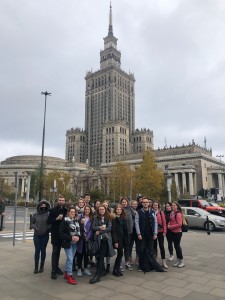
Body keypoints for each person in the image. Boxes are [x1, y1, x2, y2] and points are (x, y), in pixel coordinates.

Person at [135, 198, 164, 272]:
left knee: (151, 250)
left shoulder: (152, 212)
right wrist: (138, 233)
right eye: (144, 202)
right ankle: (141, 265)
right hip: (142, 235)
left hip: (151, 235)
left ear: (148, 203)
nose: (145, 203)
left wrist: (155, 233)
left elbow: (155, 223)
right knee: (141, 250)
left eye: (146, 202)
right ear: (142, 203)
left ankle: (151, 265)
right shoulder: (138, 212)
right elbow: (136, 223)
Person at [89, 205, 115, 284]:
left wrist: (100, 231)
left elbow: (109, 228)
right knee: (98, 256)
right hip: (97, 240)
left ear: (105, 209)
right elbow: (93, 227)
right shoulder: (96, 218)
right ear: (98, 211)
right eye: (100, 210)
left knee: (101, 256)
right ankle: (102, 271)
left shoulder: (108, 218)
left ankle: (97, 275)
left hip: (105, 240)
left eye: (103, 209)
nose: (101, 211)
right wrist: (100, 227)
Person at [47, 194, 67, 279]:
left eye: (63, 200)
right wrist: (56, 219)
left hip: (63, 235)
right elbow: (48, 221)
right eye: (60, 200)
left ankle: (57, 267)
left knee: (60, 252)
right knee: (55, 252)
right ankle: (53, 271)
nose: (61, 202)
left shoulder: (66, 210)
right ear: (57, 201)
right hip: (55, 234)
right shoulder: (52, 210)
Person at [60, 206, 80, 285]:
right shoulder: (64, 221)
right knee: (71, 259)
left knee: (69, 259)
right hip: (67, 243)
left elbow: (78, 232)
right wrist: (71, 237)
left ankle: (66, 272)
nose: (72, 213)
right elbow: (61, 234)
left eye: (74, 212)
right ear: (68, 212)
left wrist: (78, 237)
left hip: (75, 244)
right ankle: (69, 276)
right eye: (71, 212)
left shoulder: (76, 221)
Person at [30, 200, 51, 274]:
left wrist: (47, 229)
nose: (43, 207)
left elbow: (50, 223)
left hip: (45, 235)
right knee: (37, 250)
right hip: (37, 235)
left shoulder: (48, 214)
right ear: (39, 206)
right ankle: (36, 267)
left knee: (43, 250)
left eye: (44, 206)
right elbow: (31, 223)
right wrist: (35, 227)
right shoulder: (35, 215)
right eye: (41, 205)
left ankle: (41, 266)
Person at [111, 204, 129, 277]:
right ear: (115, 210)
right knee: (120, 254)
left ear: (122, 211)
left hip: (123, 238)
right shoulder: (114, 218)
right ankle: (115, 269)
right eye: (117, 209)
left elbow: (126, 229)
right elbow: (114, 231)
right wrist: (115, 241)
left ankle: (117, 268)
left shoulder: (123, 218)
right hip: (118, 239)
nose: (118, 211)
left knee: (120, 254)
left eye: (120, 209)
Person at [76, 205, 93, 277]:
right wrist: (80, 222)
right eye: (85, 209)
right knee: (80, 253)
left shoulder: (91, 218)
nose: (87, 211)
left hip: (87, 239)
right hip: (80, 239)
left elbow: (92, 229)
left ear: (90, 210)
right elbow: (75, 225)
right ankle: (79, 269)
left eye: (88, 209)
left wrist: (88, 237)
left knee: (86, 254)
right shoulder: (80, 216)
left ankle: (85, 268)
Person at [168, 202, 185, 268]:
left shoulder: (178, 214)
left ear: (177, 206)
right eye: (172, 205)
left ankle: (182, 261)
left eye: (174, 205)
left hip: (178, 232)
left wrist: (170, 227)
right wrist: (168, 224)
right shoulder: (172, 213)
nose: (173, 206)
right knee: (175, 246)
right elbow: (170, 220)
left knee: (177, 246)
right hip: (172, 232)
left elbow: (179, 224)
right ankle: (178, 260)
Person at [152, 201, 168, 269]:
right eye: (154, 205)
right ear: (152, 206)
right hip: (153, 232)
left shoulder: (161, 213)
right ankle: (155, 260)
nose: (155, 206)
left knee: (161, 246)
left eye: (156, 205)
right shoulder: (151, 212)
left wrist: (164, 231)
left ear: (158, 206)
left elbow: (164, 222)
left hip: (160, 232)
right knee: (154, 247)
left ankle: (163, 261)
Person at [121, 198, 134, 271]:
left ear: (127, 203)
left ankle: (127, 262)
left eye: (125, 202)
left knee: (127, 247)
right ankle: (119, 263)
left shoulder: (130, 209)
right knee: (120, 249)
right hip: (121, 232)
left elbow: (133, 217)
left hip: (128, 232)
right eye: (123, 202)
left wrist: (130, 229)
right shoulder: (119, 209)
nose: (124, 203)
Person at [129, 200, 139, 264]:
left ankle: (137, 258)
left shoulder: (138, 211)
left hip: (137, 230)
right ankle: (129, 258)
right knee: (130, 245)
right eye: (133, 204)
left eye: (136, 204)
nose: (135, 205)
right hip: (131, 230)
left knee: (138, 245)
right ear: (131, 204)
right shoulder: (129, 211)